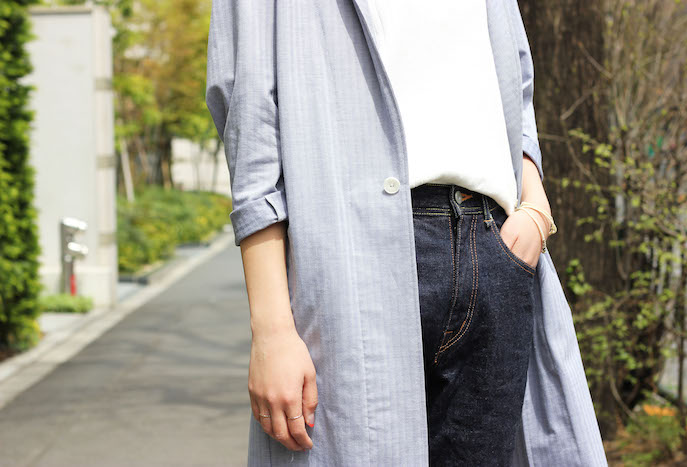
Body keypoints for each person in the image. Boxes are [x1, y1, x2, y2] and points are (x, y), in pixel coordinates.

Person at [206, 1, 608, 466]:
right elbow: (250, 114)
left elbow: (513, 82)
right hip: (351, 262)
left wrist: (535, 205)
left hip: (493, 245)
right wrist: (272, 330)